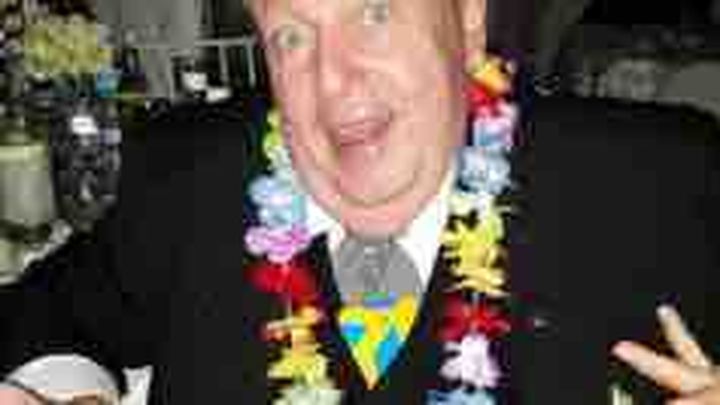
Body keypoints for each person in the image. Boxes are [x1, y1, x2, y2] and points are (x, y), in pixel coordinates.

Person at [1, 0, 719, 403]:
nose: (334, 80)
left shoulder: (661, 184)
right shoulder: (190, 179)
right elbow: (44, 318)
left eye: (373, 12)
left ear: (468, 16)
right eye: (292, 37)